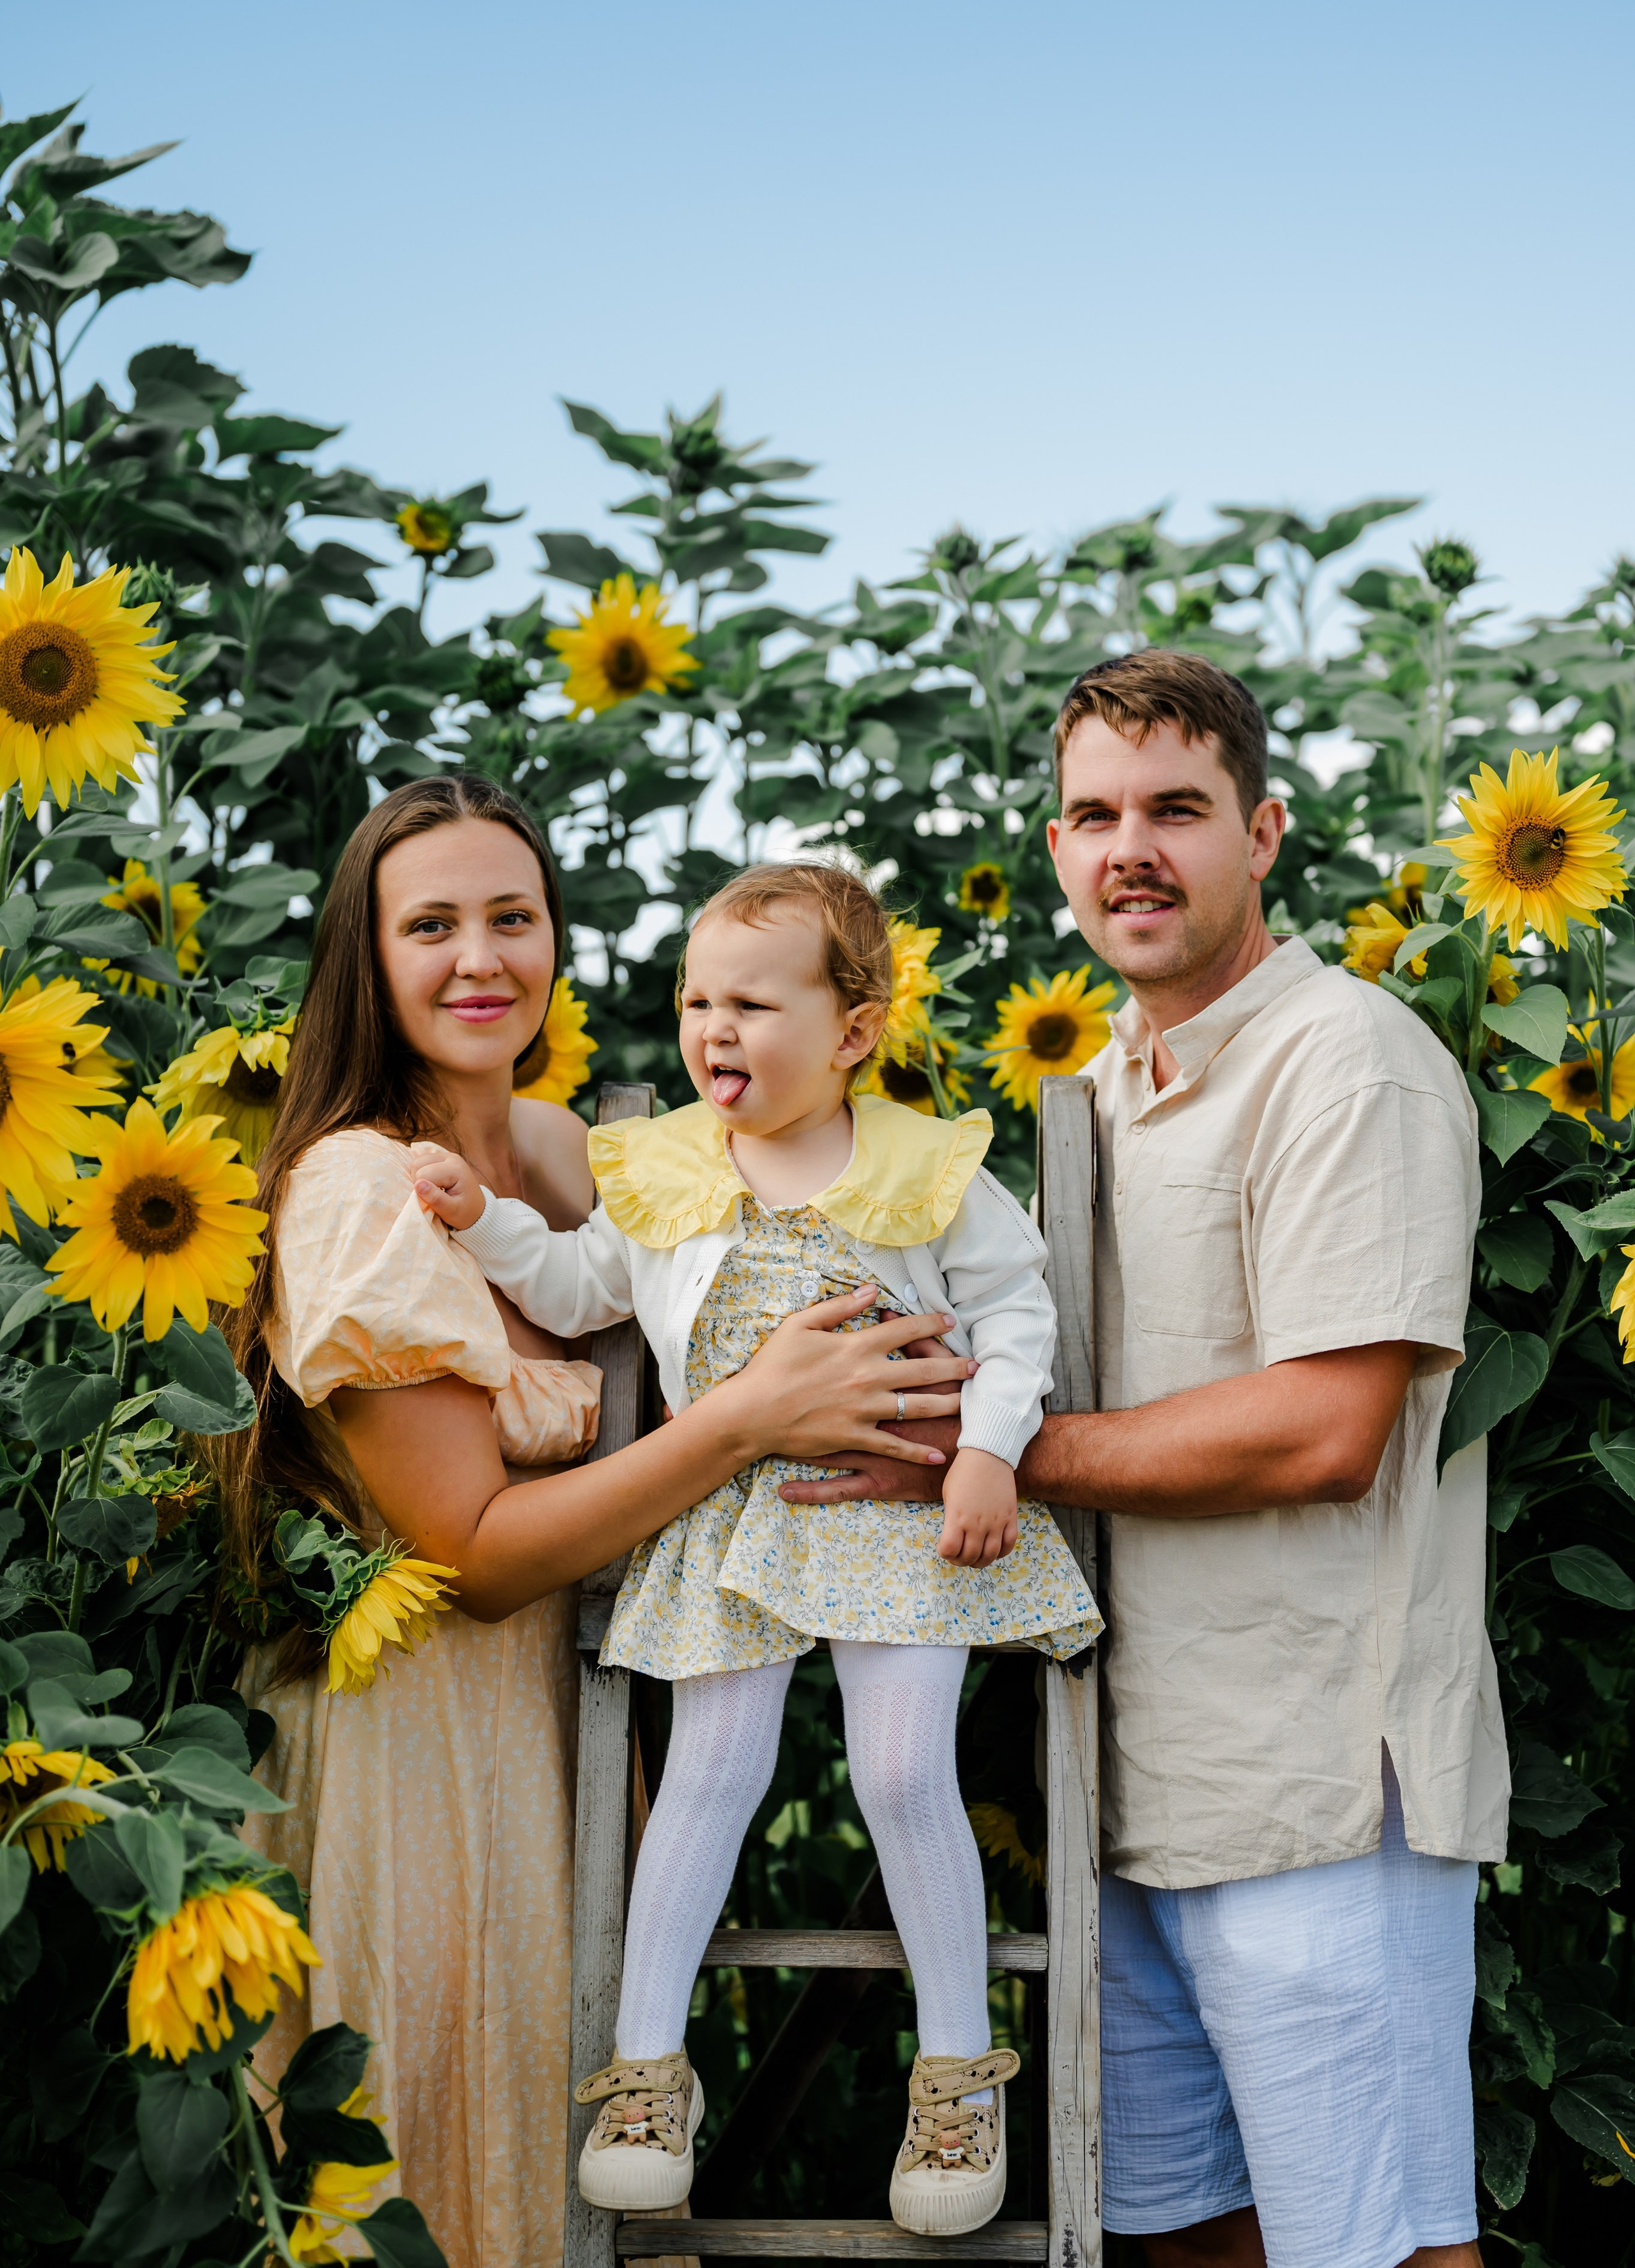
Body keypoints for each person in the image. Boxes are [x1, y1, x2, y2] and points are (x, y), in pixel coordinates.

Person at [782, 651, 1503, 2268]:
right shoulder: (1088, 1097)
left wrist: (993, 1455)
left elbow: (1327, 1425)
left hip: (1316, 1779)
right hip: (1121, 1781)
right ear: (1052, 849)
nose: (1131, 848)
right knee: (1185, 2233)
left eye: (1174, 809)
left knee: (1373, 2247)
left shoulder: (1344, 1058)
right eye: (1093, 814)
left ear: (1258, 832)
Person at [217, 780, 968, 2268]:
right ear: (365, 958)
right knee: (453, 2165)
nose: (478, 956)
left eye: (512, 915)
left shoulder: (581, 1156)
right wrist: (748, 1414)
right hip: (419, 1745)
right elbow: (475, 1551)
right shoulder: (358, 1188)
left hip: (585, 1718)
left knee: (600, 2172)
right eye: (428, 924)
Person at [409, 860, 1102, 2238]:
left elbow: (1016, 1318)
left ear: (851, 1031)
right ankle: (647, 2072)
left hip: (898, 1513)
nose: (712, 1029)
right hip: (734, 1516)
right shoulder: (667, 1168)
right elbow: (577, 1282)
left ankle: (956, 2074)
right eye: (694, 1000)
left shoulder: (923, 1165)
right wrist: (480, 1221)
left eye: (752, 1003)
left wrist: (986, 1450)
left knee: (905, 1768)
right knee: (711, 1768)